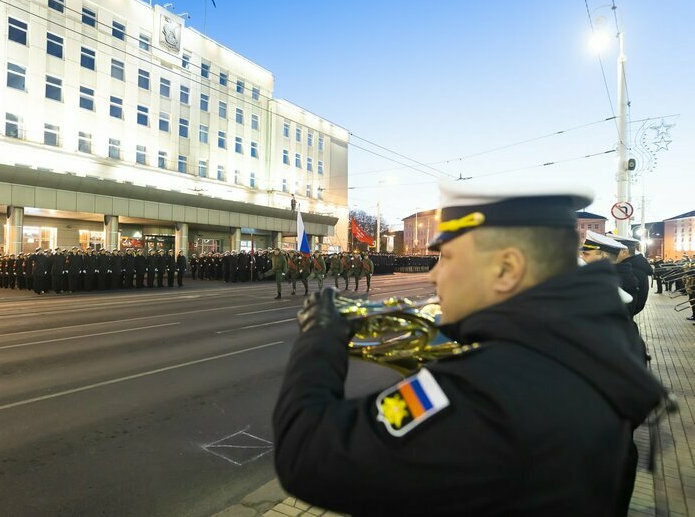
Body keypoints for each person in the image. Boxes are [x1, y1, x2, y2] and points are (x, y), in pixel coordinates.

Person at [273, 181, 668, 516]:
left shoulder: (483, 392)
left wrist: (318, 338)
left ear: (506, 268)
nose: (433, 273)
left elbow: (307, 457)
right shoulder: (598, 341)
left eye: (448, 257)